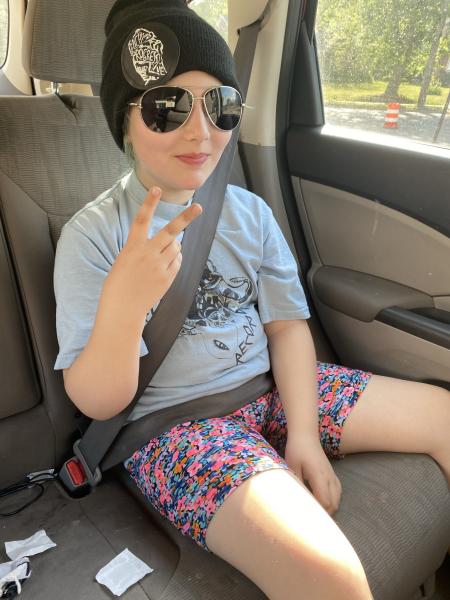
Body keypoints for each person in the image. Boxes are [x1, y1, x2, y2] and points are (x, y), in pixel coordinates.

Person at [53, 1, 450, 599]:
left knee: (442, 414)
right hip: (176, 429)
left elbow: (287, 328)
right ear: (125, 122)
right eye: (167, 107)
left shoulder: (250, 214)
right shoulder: (93, 236)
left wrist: (305, 433)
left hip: (269, 392)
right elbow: (97, 399)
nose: (201, 131)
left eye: (221, 105)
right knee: (328, 574)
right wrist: (124, 304)